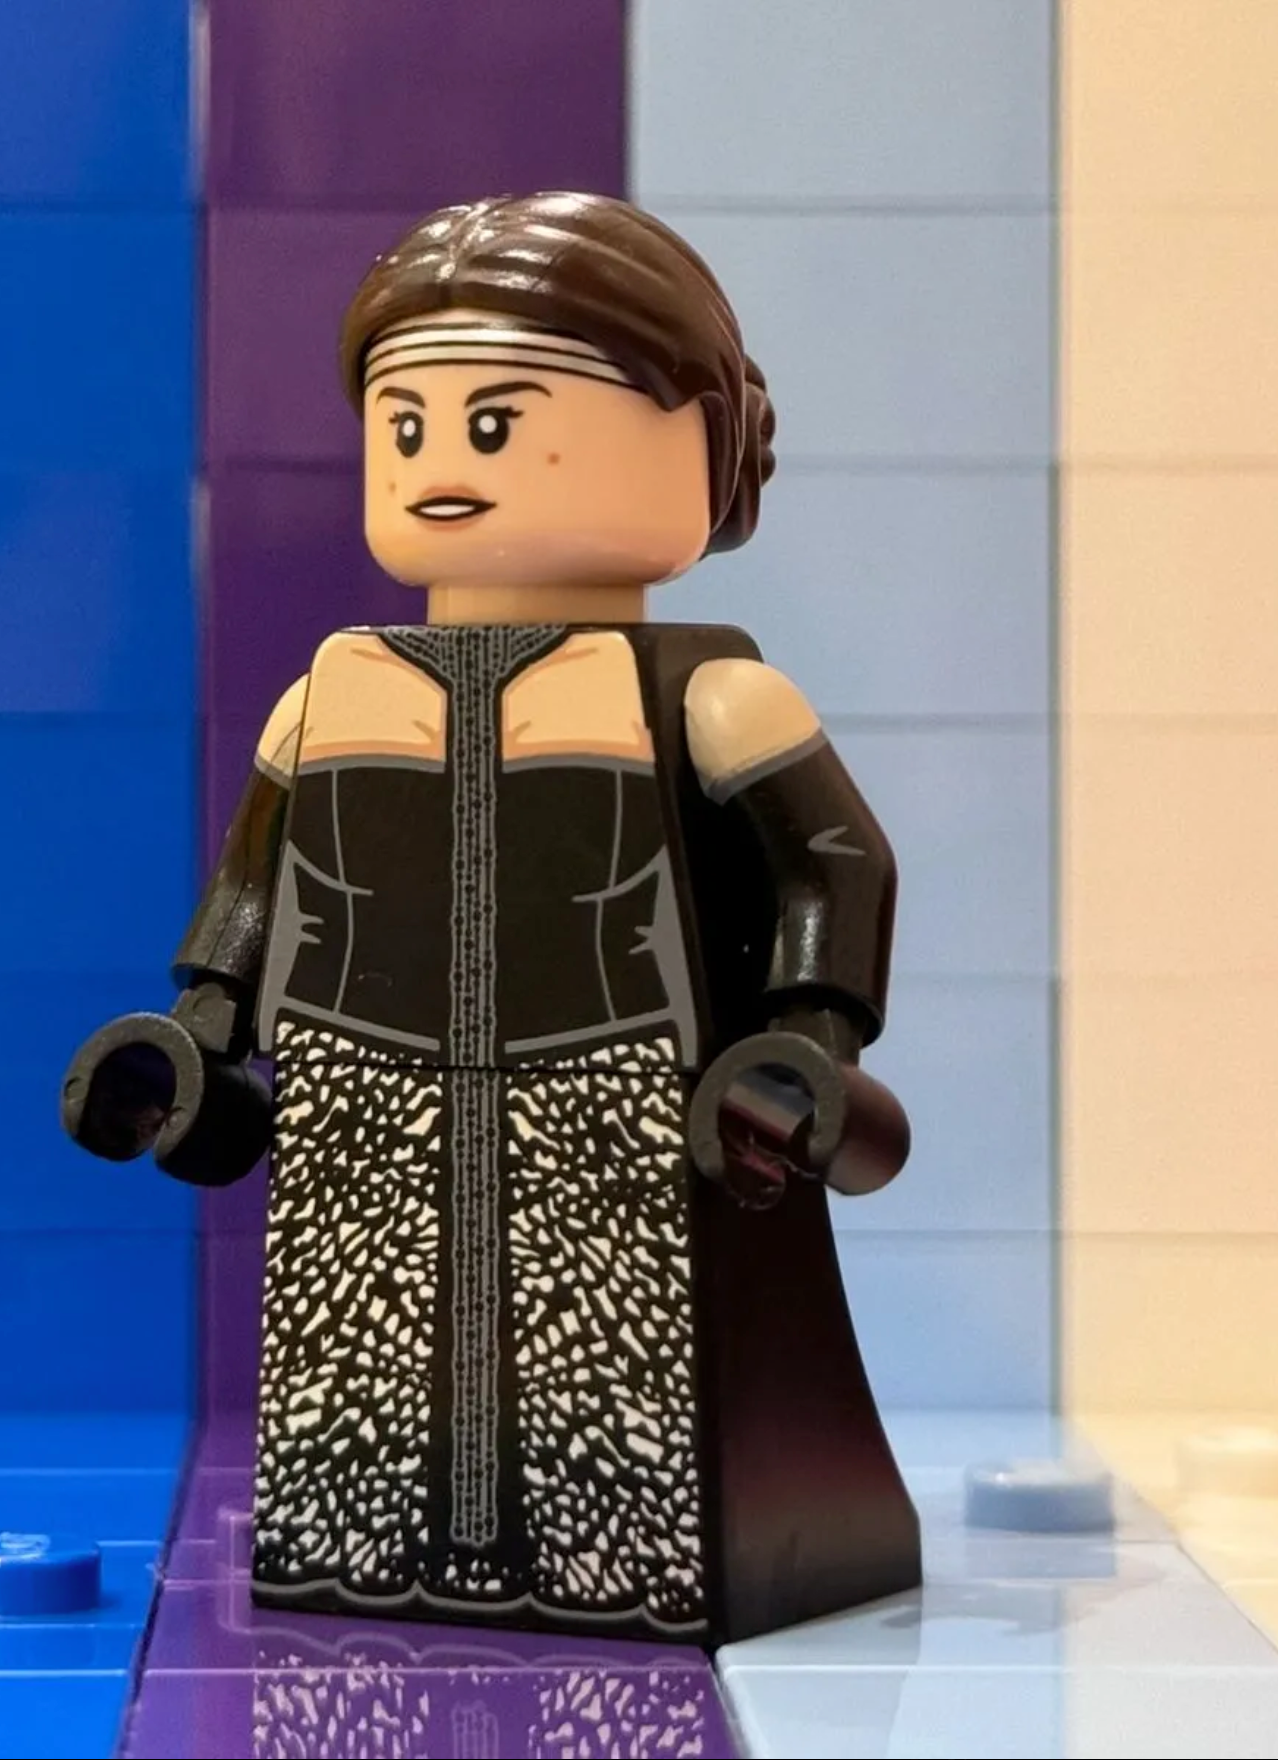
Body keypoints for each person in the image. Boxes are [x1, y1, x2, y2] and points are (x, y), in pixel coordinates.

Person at [63, 191, 920, 1645]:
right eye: (404, 425)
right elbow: (256, 886)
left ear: (706, 438)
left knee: (622, 1375)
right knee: (362, 1378)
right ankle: (365, 1544)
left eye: (499, 420)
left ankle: (614, 1561)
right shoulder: (331, 697)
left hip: (611, 1091)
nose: (443, 463)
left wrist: (808, 1035)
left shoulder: (715, 699)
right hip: (367, 1101)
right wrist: (206, 1023)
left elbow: (833, 866)